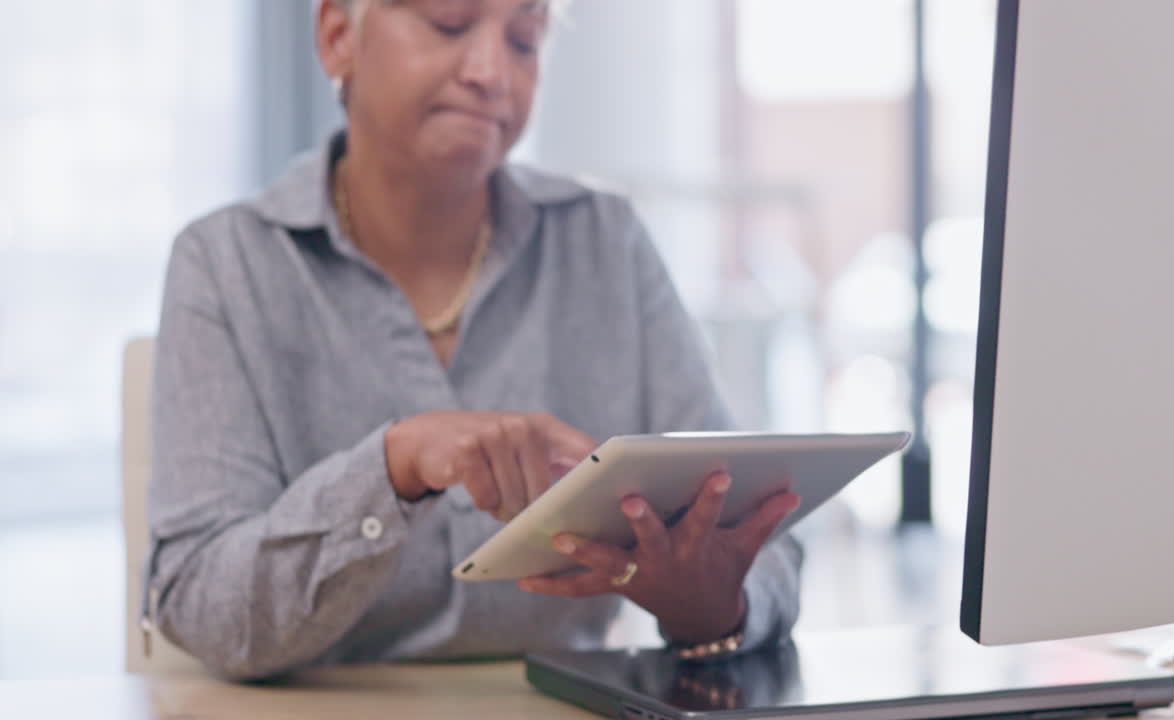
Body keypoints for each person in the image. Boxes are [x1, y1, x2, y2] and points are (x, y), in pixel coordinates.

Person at [146, 0, 802, 681]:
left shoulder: (605, 242)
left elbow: (764, 549)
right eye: (450, 24)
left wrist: (712, 606)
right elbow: (200, 603)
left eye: (524, 40)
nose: (493, 72)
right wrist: (390, 469)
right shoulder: (225, 264)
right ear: (339, 36)